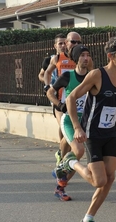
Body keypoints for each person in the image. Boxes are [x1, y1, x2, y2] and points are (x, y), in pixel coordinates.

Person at [53, 37, 116, 222]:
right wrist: (77, 127)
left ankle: (88, 219)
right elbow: (71, 98)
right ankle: (71, 162)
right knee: (99, 181)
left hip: (110, 134)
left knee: (110, 178)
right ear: (110, 56)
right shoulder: (97, 75)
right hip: (92, 134)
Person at [46, 44, 92, 201]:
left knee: (75, 154)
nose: (86, 58)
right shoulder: (67, 76)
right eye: (82, 55)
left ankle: (60, 182)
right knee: (78, 151)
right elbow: (50, 92)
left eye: (88, 55)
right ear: (76, 58)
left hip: (86, 121)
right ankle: (61, 177)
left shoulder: (93, 77)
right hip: (69, 120)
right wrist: (59, 105)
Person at [44, 32, 82, 166]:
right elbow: (47, 72)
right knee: (64, 126)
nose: (76, 45)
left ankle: (62, 153)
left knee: (68, 132)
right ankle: (63, 157)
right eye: (73, 42)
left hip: (77, 101)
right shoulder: (57, 58)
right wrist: (47, 86)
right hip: (60, 100)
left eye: (78, 42)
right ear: (66, 43)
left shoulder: (82, 58)